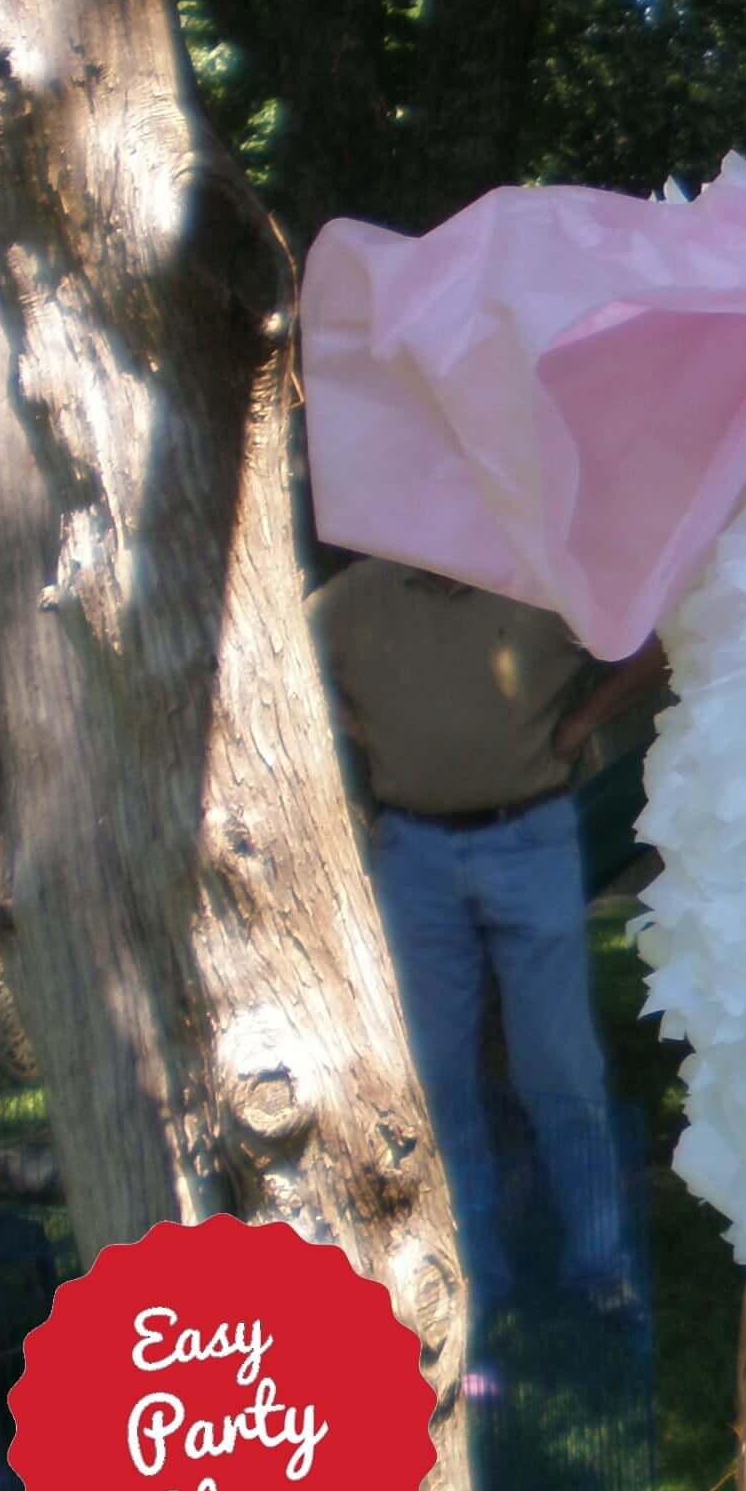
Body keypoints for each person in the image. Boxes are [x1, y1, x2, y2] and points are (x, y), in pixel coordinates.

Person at [308, 558, 667, 1328]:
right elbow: (276, 652)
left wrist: (580, 723)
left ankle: (601, 1268)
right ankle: (470, 1275)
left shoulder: (539, 579)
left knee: (559, 1062)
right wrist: (352, 726)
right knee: (436, 1072)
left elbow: (653, 637)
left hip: (530, 837)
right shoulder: (354, 599)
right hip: (414, 850)